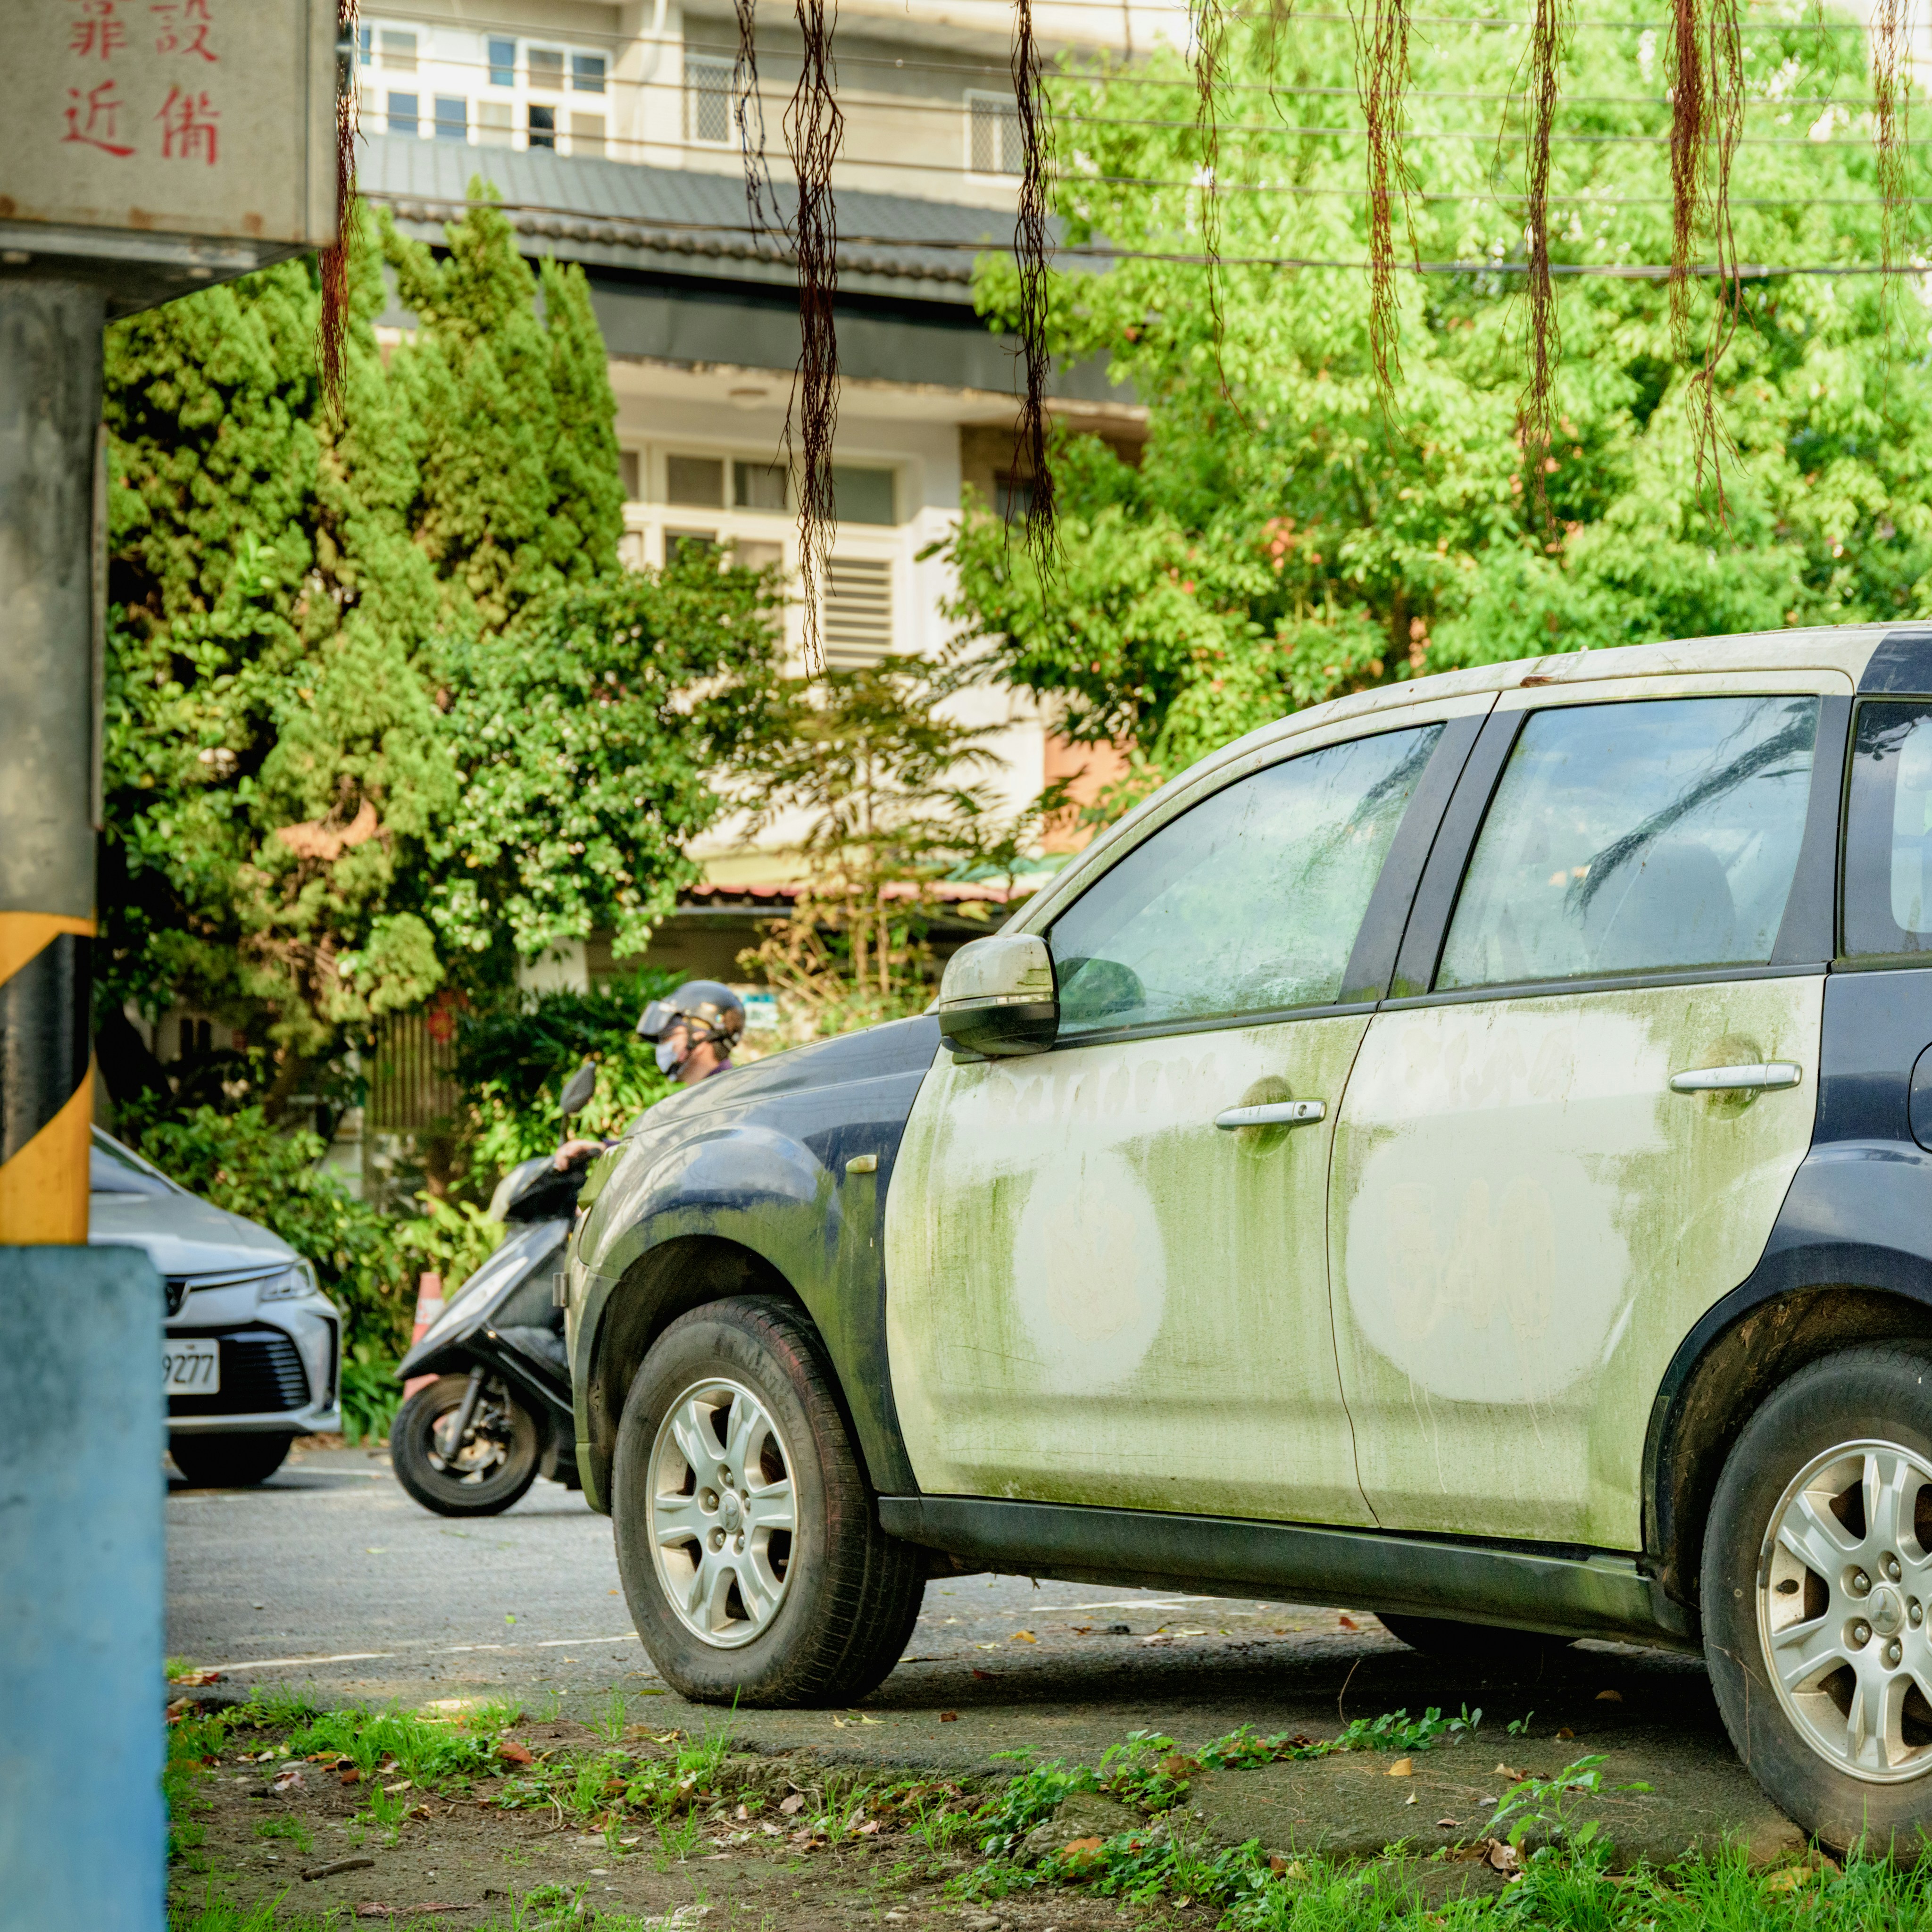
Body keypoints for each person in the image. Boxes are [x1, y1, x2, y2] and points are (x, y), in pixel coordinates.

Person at [553, 981, 747, 1170]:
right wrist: (603, 1149)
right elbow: (660, 1148)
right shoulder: (703, 1096)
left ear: (700, 1036)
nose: (663, 1046)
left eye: (669, 1036)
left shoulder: (728, 1102)